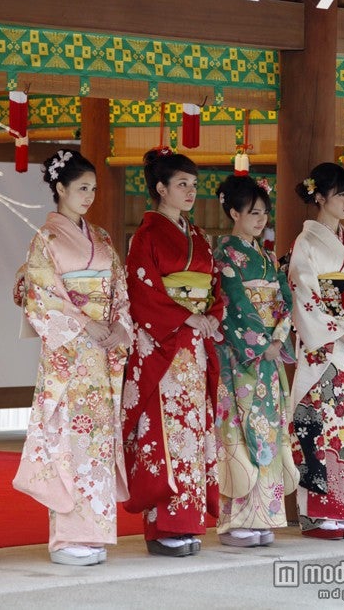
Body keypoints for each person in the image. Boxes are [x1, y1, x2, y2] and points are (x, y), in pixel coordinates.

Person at [12, 149, 133, 566]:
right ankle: (66, 538)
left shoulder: (102, 238)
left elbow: (118, 289)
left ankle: (93, 533)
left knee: (96, 441)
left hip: (100, 353)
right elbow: (40, 296)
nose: (89, 196)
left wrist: (118, 326)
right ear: (61, 189)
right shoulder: (45, 239)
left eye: (93, 189)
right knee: (68, 438)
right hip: (71, 352)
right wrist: (85, 324)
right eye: (82, 188)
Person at [121, 147, 224, 557]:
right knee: (164, 434)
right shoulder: (146, 236)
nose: (190, 191)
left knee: (192, 434)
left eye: (193, 184)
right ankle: (162, 526)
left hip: (193, 347)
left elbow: (214, 288)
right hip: (164, 348)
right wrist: (187, 317)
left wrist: (211, 315)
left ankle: (188, 522)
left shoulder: (198, 237)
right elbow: (142, 291)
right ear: (161, 188)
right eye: (182, 184)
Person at [288, 162, 344, 540]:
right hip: (323, 349)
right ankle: (317, 513)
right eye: (341, 195)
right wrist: (340, 333)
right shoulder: (305, 243)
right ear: (320, 197)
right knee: (319, 426)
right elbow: (303, 295)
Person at [214, 174, 299, 547]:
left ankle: (265, 516)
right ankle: (236, 521)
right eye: (253, 212)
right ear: (234, 213)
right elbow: (233, 300)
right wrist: (260, 343)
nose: (261, 219)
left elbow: (284, 299)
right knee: (240, 430)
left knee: (269, 430)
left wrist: (277, 338)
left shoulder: (266, 257)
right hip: (240, 358)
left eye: (264, 213)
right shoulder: (225, 255)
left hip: (268, 356)